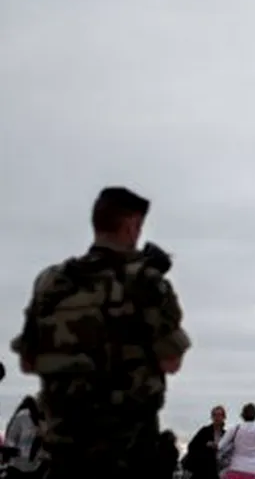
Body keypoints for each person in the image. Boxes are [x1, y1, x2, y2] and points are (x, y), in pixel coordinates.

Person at [8, 186, 192, 479]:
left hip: (64, 449)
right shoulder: (147, 282)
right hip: (128, 450)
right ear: (132, 224)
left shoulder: (52, 282)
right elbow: (171, 361)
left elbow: (28, 361)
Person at [220, 402, 255, 479]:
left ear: (242, 415)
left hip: (236, 467)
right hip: (254, 470)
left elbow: (220, 446)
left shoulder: (235, 429)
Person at [182, 405, 229, 479]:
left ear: (224, 417)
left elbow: (229, 452)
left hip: (218, 471)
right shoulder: (205, 431)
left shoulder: (226, 434)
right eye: (214, 415)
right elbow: (191, 446)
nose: (217, 417)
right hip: (202, 471)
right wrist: (206, 445)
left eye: (219, 415)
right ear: (212, 417)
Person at [2, 395, 43, 477]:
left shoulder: (43, 419)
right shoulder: (23, 417)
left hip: (34, 467)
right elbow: (11, 439)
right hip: (18, 466)